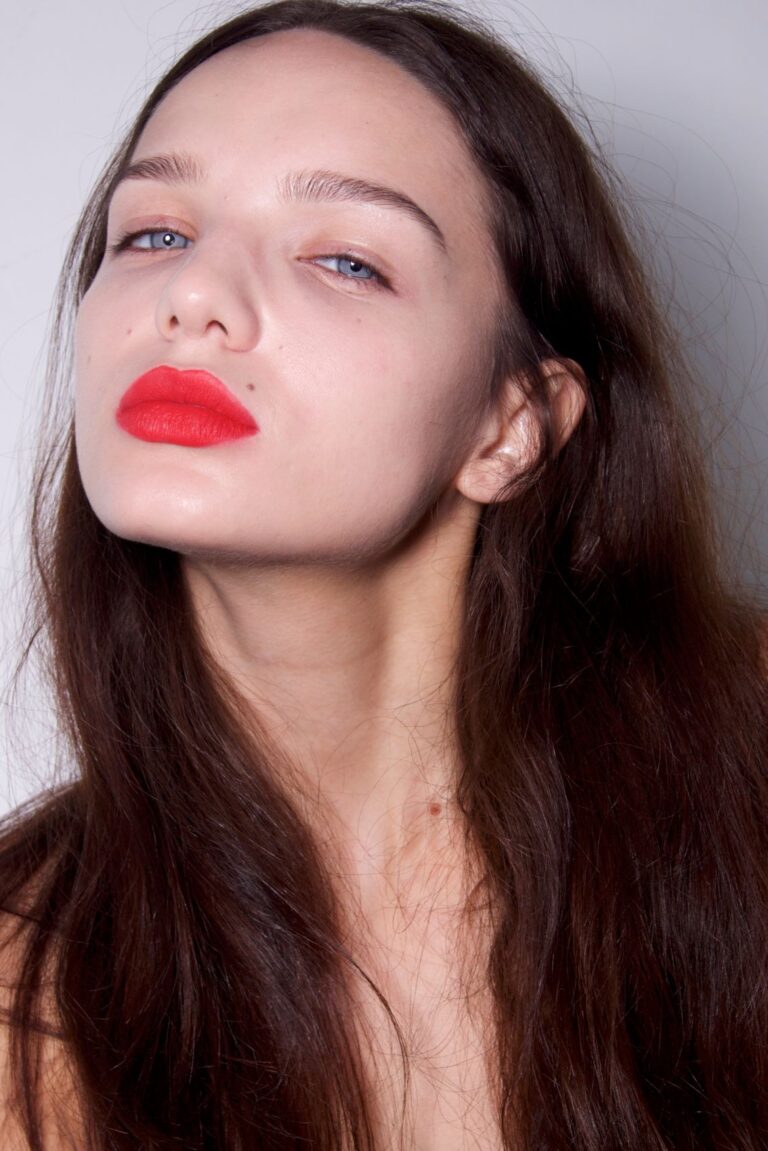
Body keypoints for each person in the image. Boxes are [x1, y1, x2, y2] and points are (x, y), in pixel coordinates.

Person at [0, 0, 766, 1146]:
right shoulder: (25, 976)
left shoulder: (745, 786)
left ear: (513, 423)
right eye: (153, 233)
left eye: (346, 259)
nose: (191, 295)